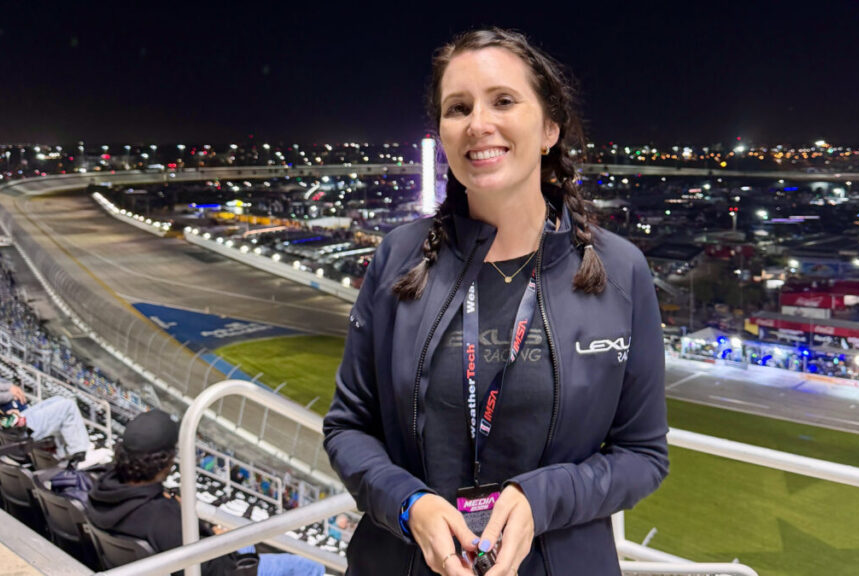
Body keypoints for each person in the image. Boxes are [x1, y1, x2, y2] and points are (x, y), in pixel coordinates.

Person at [322, 28, 669, 576]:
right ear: (441, 131)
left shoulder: (620, 271)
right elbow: (347, 428)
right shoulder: (398, 258)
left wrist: (543, 499)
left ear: (550, 127)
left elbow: (643, 455)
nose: (478, 123)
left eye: (503, 101)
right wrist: (409, 504)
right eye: (458, 108)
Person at [87, 409, 324, 576]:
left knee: (243, 537)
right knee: (308, 566)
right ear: (167, 462)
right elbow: (218, 571)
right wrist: (221, 540)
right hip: (221, 568)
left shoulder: (100, 488)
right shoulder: (162, 518)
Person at [0, 364, 111, 467]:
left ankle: (69, 450)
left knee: (57, 400)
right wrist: (10, 394)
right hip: (17, 429)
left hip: (9, 424)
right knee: (67, 407)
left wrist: (8, 388)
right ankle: (80, 454)